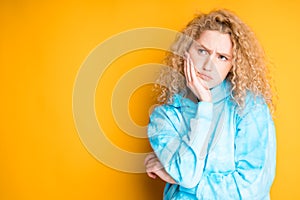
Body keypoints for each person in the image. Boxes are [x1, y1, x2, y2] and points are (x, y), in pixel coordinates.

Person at [144, 9, 276, 199]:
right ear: (185, 51)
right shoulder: (165, 115)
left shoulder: (249, 106)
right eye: (202, 51)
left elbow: (250, 188)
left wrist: (180, 181)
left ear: (233, 64)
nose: (208, 65)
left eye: (222, 57)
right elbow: (187, 175)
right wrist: (205, 107)